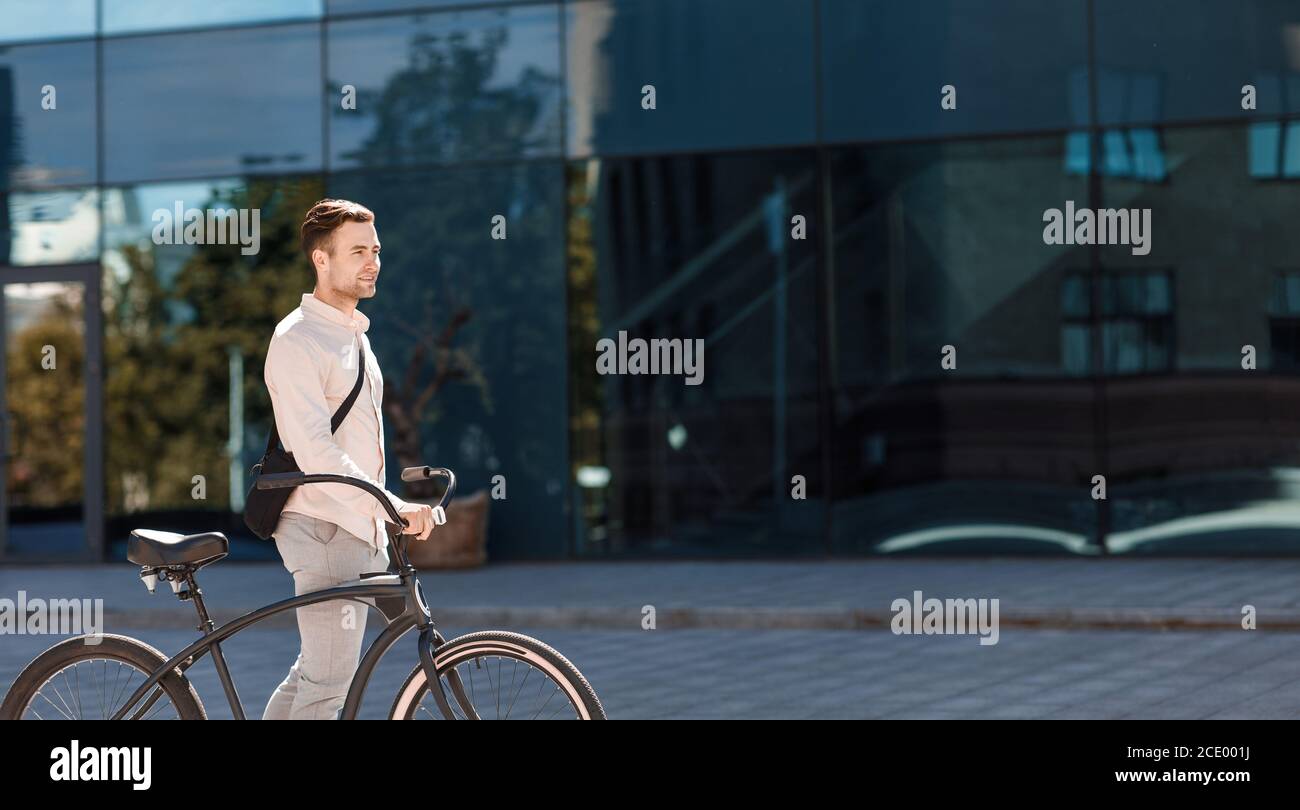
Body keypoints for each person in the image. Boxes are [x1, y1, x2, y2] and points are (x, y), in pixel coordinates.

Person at [260, 198, 436, 720]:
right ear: (321, 259)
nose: (372, 261)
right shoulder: (298, 339)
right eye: (357, 251)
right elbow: (315, 450)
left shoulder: (353, 336)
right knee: (329, 683)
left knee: (317, 674)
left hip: (353, 528)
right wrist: (389, 503)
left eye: (375, 250)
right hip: (324, 526)